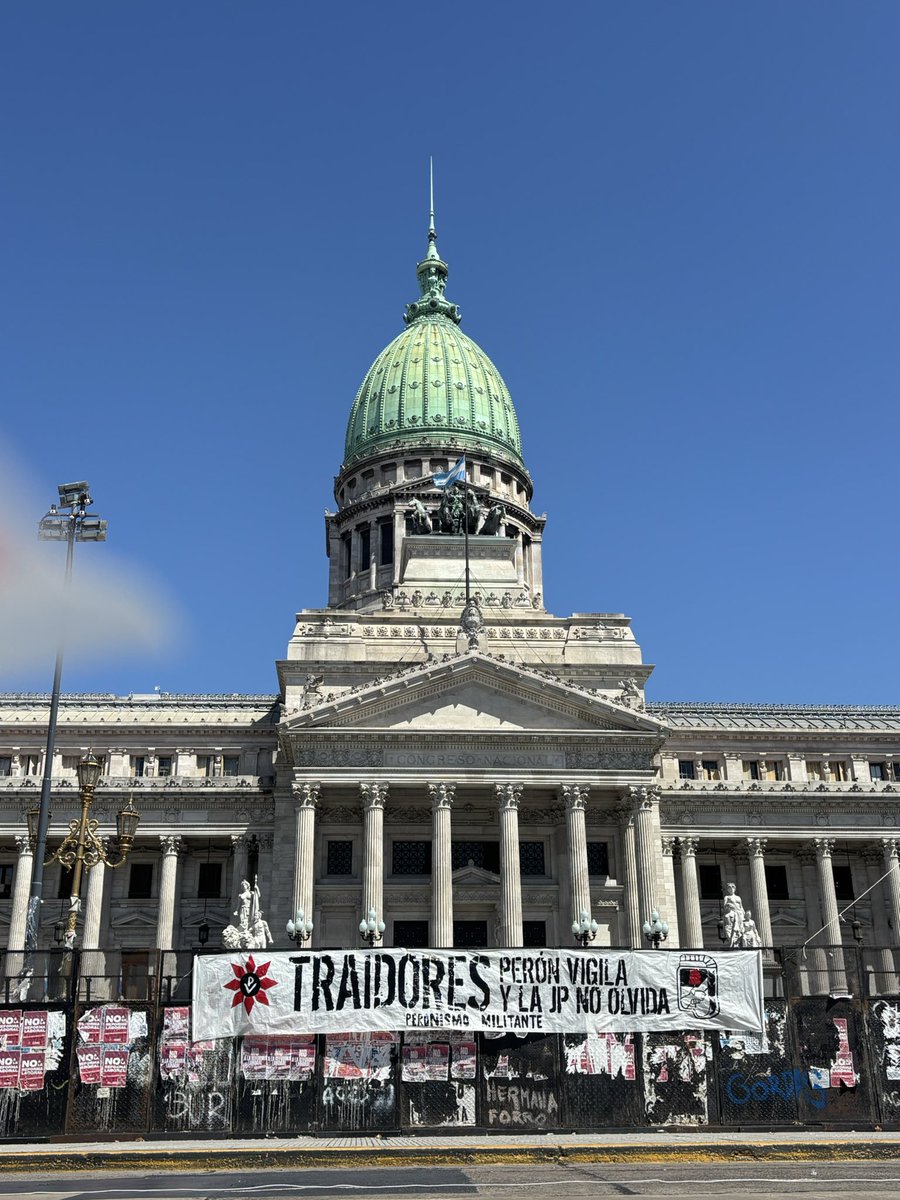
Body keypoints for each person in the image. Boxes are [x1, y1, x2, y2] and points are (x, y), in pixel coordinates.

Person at [722, 882, 746, 948]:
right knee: (734, 930)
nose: (731, 889)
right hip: (732, 914)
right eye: (729, 887)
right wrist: (729, 905)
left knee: (741, 929)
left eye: (733, 887)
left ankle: (739, 943)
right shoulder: (727, 897)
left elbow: (741, 907)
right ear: (728, 890)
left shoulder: (738, 897)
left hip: (740, 914)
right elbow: (724, 906)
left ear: (735, 889)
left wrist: (744, 914)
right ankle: (733, 943)